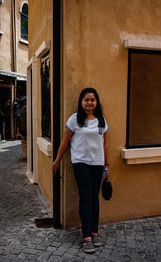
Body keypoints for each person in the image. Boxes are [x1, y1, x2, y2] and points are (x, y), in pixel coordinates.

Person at [52, 87, 109, 254]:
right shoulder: (74, 120)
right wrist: (57, 161)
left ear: (96, 102)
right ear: (81, 102)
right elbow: (65, 143)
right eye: (86, 100)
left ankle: (94, 231)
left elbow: (105, 144)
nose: (89, 102)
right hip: (81, 162)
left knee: (94, 198)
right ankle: (86, 237)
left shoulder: (101, 120)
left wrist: (107, 165)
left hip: (98, 163)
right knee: (86, 197)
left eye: (92, 100)